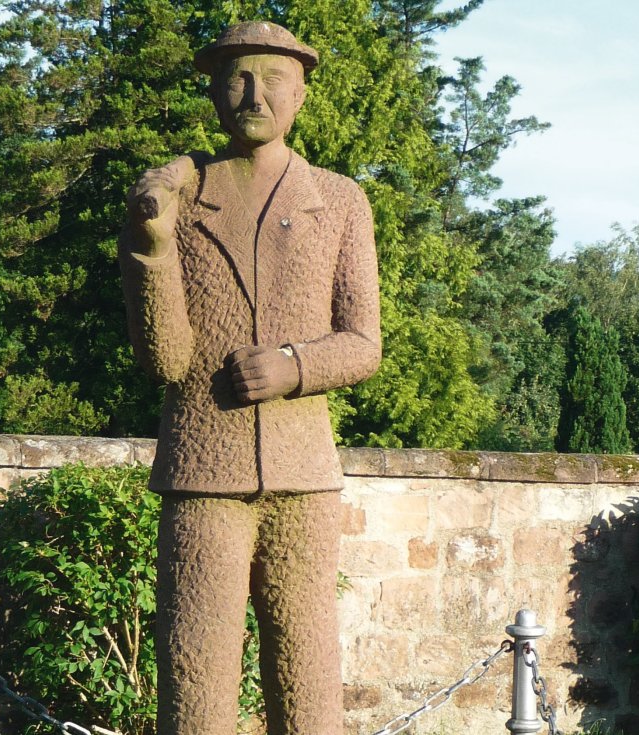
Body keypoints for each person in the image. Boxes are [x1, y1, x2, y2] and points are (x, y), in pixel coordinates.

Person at [119, 21, 381, 735]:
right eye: (236, 78)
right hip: (204, 473)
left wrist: (293, 366)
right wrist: (152, 249)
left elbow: (363, 344)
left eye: (271, 79)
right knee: (195, 675)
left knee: (308, 674)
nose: (253, 95)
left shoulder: (340, 201)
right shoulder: (175, 200)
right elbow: (165, 360)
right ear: (213, 92)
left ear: (300, 94)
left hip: (303, 472)